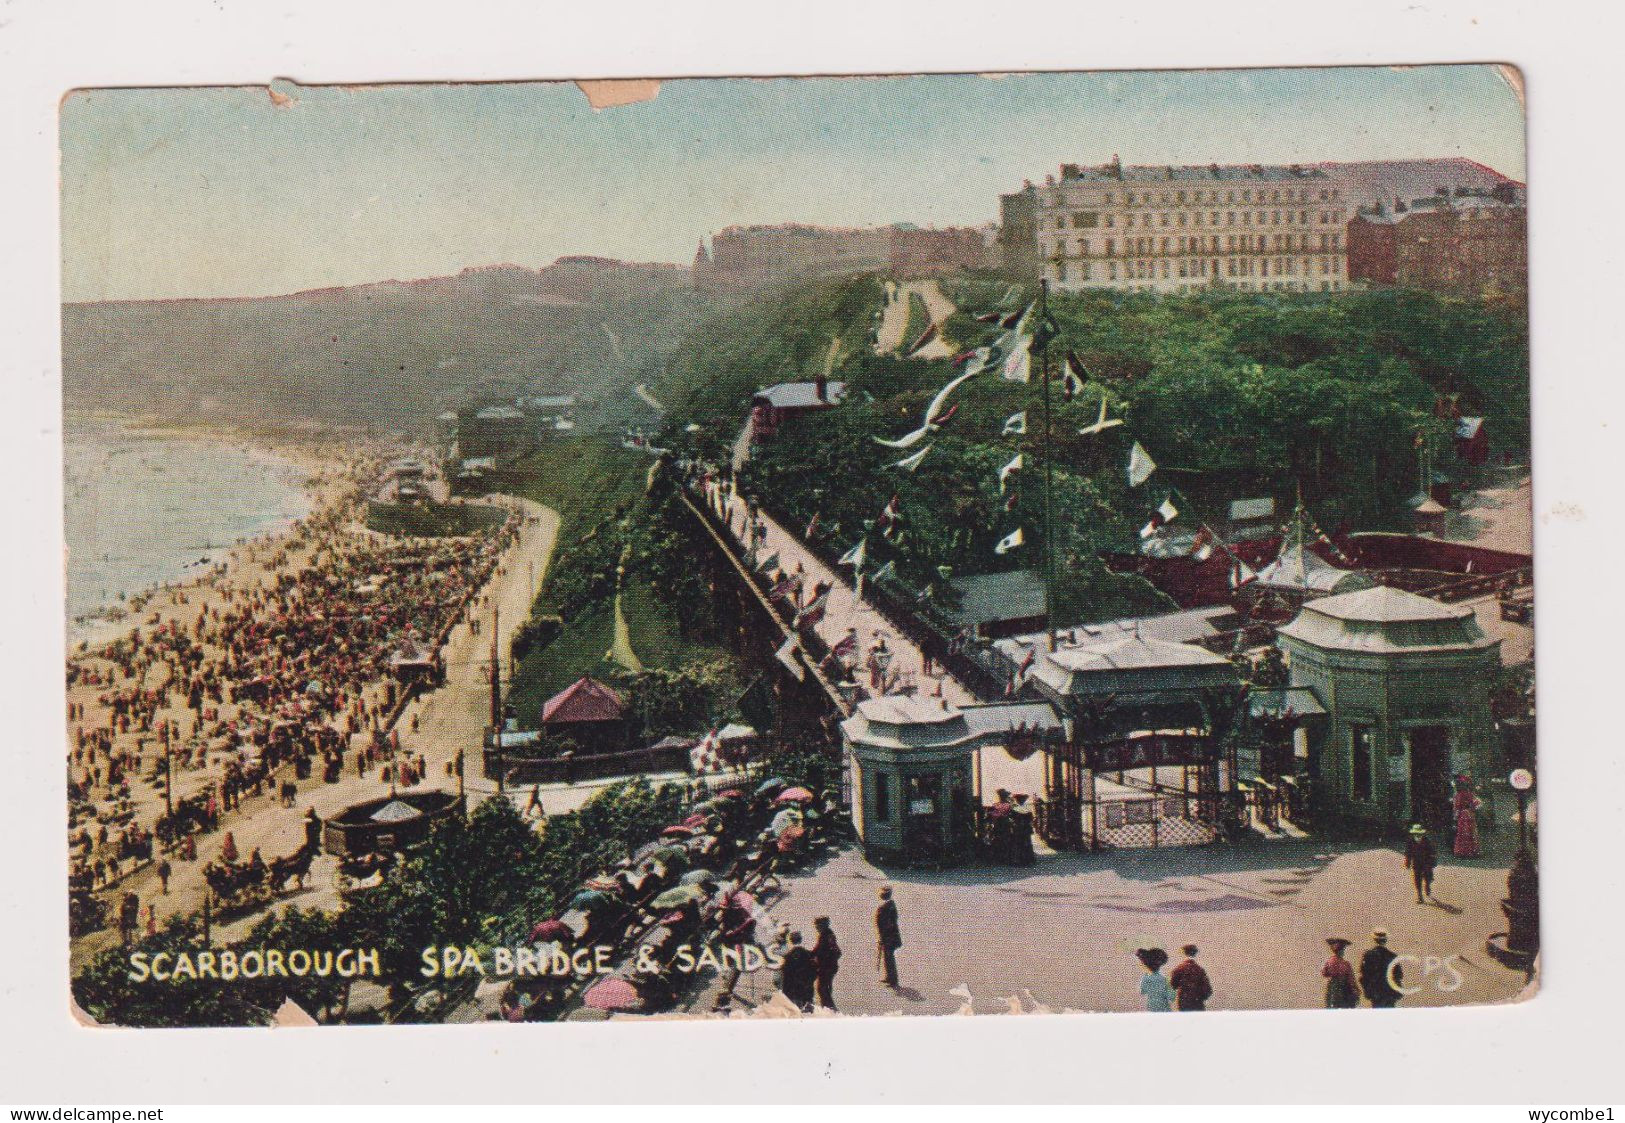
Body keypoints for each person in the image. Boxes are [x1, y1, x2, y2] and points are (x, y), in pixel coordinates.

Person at [1359, 930, 1403, 1008]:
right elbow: (1399, 975)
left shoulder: (1368, 955)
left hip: (1376, 992)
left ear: (1374, 940)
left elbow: (1364, 975)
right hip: (1390, 992)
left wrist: (1368, 990)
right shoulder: (1392, 956)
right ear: (1385, 940)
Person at [780, 931, 817, 1012]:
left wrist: (785, 992)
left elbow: (785, 976)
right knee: (809, 1017)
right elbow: (814, 972)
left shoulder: (788, 957)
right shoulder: (809, 954)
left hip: (793, 993)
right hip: (807, 993)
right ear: (801, 939)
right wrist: (808, 983)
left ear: (791, 940)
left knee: (795, 1016)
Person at [1170, 944, 1213, 1011]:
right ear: (1195, 954)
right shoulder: (1200, 970)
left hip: (1184, 1002)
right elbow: (1207, 989)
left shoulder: (1179, 969)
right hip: (1198, 1002)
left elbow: (1173, 985)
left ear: (1184, 953)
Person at [812, 916, 842, 1011]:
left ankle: (830, 1010)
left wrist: (824, 961)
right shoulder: (823, 935)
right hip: (825, 967)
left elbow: (836, 951)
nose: (816, 928)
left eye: (818, 926)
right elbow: (817, 950)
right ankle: (828, 1008)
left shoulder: (828, 935)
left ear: (823, 925)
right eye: (816, 926)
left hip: (827, 968)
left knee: (823, 989)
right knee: (823, 989)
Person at [875, 885, 903, 987]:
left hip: (888, 937)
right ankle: (889, 977)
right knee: (887, 958)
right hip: (889, 936)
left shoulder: (886, 907)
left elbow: (886, 924)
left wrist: (882, 937)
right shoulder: (890, 905)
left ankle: (893, 980)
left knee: (889, 958)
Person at [1323, 937, 1361, 1008]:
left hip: (1332, 988)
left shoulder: (1329, 961)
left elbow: (1324, 973)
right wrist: (1356, 990)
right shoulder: (1346, 964)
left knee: (1332, 1007)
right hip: (1344, 988)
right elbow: (1351, 979)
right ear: (1341, 951)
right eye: (1343, 950)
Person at [1404, 824, 1438, 902]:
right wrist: (1407, 862)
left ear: (1421, 833)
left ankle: (1427, 886)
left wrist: (1433, 861)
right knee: (1417, 879)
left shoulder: (1427, 840)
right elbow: (1408, 852)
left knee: (1428, 877)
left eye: (1419, 833)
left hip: (1427, 862)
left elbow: (1433, 852)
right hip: (1416, 862)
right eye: (1415, 833)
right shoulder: (1410, 841)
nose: (1417, 835)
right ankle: (1419, 896)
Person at [1452, 775, 1483, 859]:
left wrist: (1455, 817)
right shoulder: (1470, 794)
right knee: (1471, 833)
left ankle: (1462, 852)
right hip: (1470, 814)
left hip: (1462, 815)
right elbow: (1478, 803)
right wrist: (1472, 808)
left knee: (1462, 833)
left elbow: (1457, 807)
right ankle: (1472, 851)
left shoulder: (1458, 795)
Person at [1136, 948, 1173, 1012]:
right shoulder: (1165, 979)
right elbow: (1171, 997)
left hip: (1152, 1007)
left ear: (1145, 964)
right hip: (1165, 1008)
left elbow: (1142, 992)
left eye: (1141, 962)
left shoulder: (1145, 978)